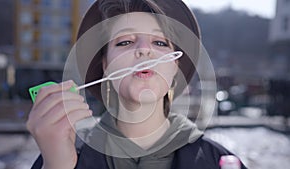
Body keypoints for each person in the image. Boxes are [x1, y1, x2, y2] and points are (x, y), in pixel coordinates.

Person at [27, 0, 247, 169]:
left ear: (175, 67)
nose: (144, 50)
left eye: (160, 42)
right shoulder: (59, 154)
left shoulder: (219, 161)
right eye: (125, 42)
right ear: (105, 65)